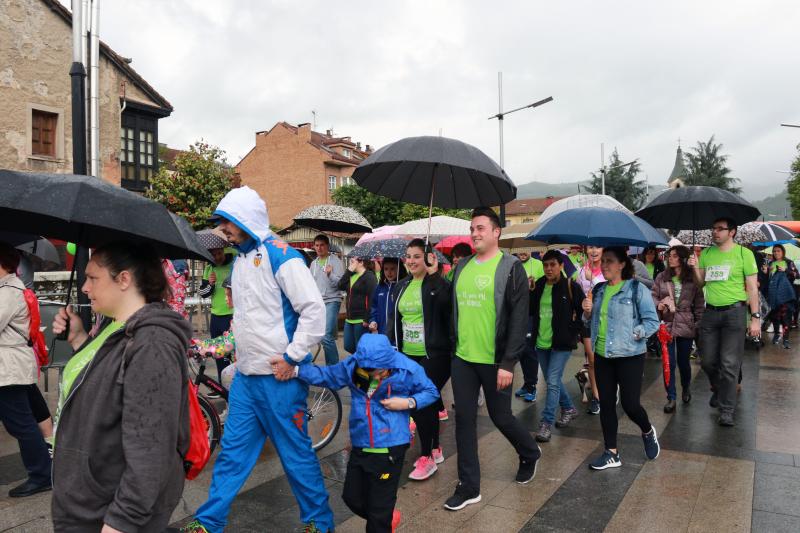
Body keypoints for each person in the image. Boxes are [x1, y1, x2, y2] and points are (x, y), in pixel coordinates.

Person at [184, 186, 334, 533]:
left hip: (279, 379)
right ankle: (209, 521)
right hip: (248, 381)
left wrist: (292, 358)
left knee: (296, 456)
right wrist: (222, 351)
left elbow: (313, 311)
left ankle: (319, 523)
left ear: (244, 219)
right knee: (232, 455)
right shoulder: (239, 261)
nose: (224, 231)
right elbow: (244, 321)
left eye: (227, 224)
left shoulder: (283, 255)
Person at [50, 242, 191, 531]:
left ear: (124, 279)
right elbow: (101, 385)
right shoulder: (115, 327)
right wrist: (78, 340)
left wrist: (121, 522)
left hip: (109, 511)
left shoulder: (152, 343)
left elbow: (150, 448)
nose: (85, 288)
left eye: (93, 278)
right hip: (88, 500)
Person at [444, 207, 542, 512]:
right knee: (464, 420)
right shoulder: (462, 268)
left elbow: (518, 321)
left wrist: (508, 363)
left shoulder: (511, 268)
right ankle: (469, 486)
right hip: (463, 358)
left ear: (496, 232)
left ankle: (529, 451)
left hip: (495, 360)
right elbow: (452, 308)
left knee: (501, 417)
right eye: (472, 228)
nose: (474, 233)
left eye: (481, 228)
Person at [296, 334, 439, 533]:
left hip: (391, 445)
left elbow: (431, 391)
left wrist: (407, 403)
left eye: (380, 372)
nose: (375, 377)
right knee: (351, 497)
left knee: (378, 517)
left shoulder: (406, 368)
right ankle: (385, 517)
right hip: (361, 442)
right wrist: (294, 370)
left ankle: (382, 520)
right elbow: (327, 375)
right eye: (369, 372)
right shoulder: (353, 366)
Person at [581, 247, 661, 470]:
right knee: (606, 404)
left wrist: (635, 334)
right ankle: (611, 453)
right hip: (603, 353)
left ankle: (647, 430)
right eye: (603, 261)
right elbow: (589, 323)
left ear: (622, 264)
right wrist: (586, 312)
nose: (604, 265)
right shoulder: (597, 290)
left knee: (630, 404)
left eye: (609, 261)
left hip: (630, 355)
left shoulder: (636, 289)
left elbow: (652, 322)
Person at [388, 239, 452, 481]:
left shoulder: (437, 284)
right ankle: (435, 448)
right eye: (408, 256)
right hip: (408, 355)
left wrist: (436, 277)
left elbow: (448, 305)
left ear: (427, 259)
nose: (411, 261)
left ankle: (426, 457)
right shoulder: (401, 286)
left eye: (417, 256)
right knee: (426, 403)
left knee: (420, 402)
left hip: (435, 355)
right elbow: (394, 321)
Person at [688, 217, 760, 427]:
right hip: (710, 313)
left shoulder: (743, 253)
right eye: (713, 228)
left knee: (729, 363)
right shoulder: (707, 254)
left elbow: (753, 288)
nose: (715, 232)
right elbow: (701, 284)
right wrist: (694, 267)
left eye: (721, 229)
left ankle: (727, 409)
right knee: (708, 360)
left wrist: (755, 318)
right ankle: (719, 390)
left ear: (732, 232)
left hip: (735, 314)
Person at [0, 242, 52, 498]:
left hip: (8, 368)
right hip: (10, 366)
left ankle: (42, 474)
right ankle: (43, 470)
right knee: (21, 421)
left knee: (21, 424)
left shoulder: (8, 292)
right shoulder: (7, 288)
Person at [531, 250, 584, 442]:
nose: (548, 269)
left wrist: (572, 332)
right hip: (541, 342)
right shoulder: (538, 285)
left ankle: (546, 423)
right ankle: (569, 408)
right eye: (545, 265)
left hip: (561, 344)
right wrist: (527, 290)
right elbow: (530, 310)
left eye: (552, 265)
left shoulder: (571, 286)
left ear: (561, 266)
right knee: (553, 380)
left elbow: (583, 314)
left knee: (552, 381)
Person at [652, 245, 704, 412]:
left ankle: (686, 386)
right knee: (668, 363)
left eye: (674, 256)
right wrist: (658, 304)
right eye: (669, 255)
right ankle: (671, 397)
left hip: (686, 324)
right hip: (666, 325)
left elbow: (699, 305)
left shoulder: (692, 279)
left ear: (682, 258)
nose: (670, 258)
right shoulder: (662, 277)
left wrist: (697, 326)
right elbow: (653, 296)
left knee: (683, 362)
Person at [198, 246, 235, 387]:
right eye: (213, 255)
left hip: (231, 314)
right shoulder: (209, 268)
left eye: (219, 253)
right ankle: (221, 384)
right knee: (218, 353)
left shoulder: (234, 264)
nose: (217, 257)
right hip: (216, 316)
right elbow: (203, 293)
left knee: (231, 354)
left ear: (224, 251)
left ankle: (232, 386)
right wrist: (211, 284)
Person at [574, 245, 604, 415]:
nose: (594, 251)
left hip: (604, 321)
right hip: (586, 322)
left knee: (604, 359)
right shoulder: (581, 272)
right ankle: (597, 396)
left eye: (598, 247)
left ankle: (610, 387)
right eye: (591, 247)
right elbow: (578, 295)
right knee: (592, 359)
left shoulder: (607, 270)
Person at [310, 234, 345, 366]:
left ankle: (334, 370)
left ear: (327, 246)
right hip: (318, 303)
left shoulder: (335, 261)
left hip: (332, 300)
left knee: (327, 337)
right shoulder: (313, 264)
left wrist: (331, 275)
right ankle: (332, 369)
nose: (319, 248)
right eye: (317, 245)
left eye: (322, 245)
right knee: (322, 337)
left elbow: (342, 284)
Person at [514, 250, 542, 403]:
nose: (522, 253)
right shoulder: (513, 265)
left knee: (529, 351)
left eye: (525, 250)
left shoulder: (539, 265)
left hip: (532, 314)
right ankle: (526, 384)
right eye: (520, 251)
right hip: (516, 314)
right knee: (521, 350)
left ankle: (532, 386)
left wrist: (534, 286)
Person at [338, 256, 378, 354]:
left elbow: (372, 298)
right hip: (349, 318)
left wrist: (367, 318)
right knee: (348, 346)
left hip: (361, 319)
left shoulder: (369, 276)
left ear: (361, 262)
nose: (350, 263)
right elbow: (340, 285)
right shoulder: (351, 275)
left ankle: (361, 367)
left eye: (353, 261)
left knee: (361, 348)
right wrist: (349, 271)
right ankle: (358, 363)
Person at [766, 244, 798, 349]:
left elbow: (797, 275)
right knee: (774, 317)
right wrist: (766, 272)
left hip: (785, 296)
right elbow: (769, 279)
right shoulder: (770, 263)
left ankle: (786, 339)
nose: (776, 253)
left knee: (786, 318)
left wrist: (786, 270)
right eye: (774, 251)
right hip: (773, 295)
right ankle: (776, 334)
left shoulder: (788, 262)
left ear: (783, 252)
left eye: (778, 251)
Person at [368, 257, 405, 337]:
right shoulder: (379, 287)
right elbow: (374, 307)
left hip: (398, 334)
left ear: (399, 269)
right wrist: (373, 321)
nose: (389, 272)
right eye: (386, 269)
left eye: (392, 269)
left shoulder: (403, 287)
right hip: (382, 332)